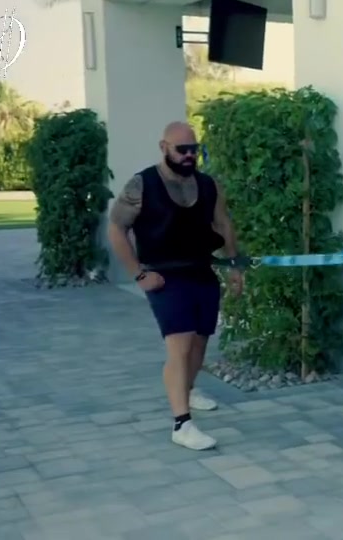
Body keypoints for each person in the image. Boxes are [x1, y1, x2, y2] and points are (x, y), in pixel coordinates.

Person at [108, 121, 244, 451]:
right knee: (180, 347)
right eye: (182, 149)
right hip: (165, 277)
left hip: (202, 272)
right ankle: (182, 424)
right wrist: (138, 274)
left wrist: (235, 264)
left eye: (193, 149)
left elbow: (223, 222)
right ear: (163, 147)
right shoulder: (142, 184)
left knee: (199, 343)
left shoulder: (208, 185)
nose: (188, 155)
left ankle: (189, 389)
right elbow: (116, 227)